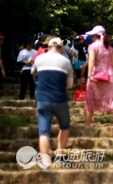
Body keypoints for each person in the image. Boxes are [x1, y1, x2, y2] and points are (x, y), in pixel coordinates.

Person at [31, 37, 74, 167]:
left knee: (44, 132)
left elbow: (33, 72)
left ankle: (45, 161)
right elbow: (70, 85)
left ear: (48, 47)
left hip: (43, 99)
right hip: (60, 99)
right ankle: (60, 156)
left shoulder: (39, 58)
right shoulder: (66, 61)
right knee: (64, 127)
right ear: (61, 49)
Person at [83, 25, 113, 127]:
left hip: (96, 75)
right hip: (108, 75)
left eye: (92, 35)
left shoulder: (92, 46)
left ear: (95, 35)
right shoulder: (110, 48)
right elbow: (112, 64)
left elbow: (92, 60)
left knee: (91, 99)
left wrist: (89, 75)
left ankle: (87, 125)